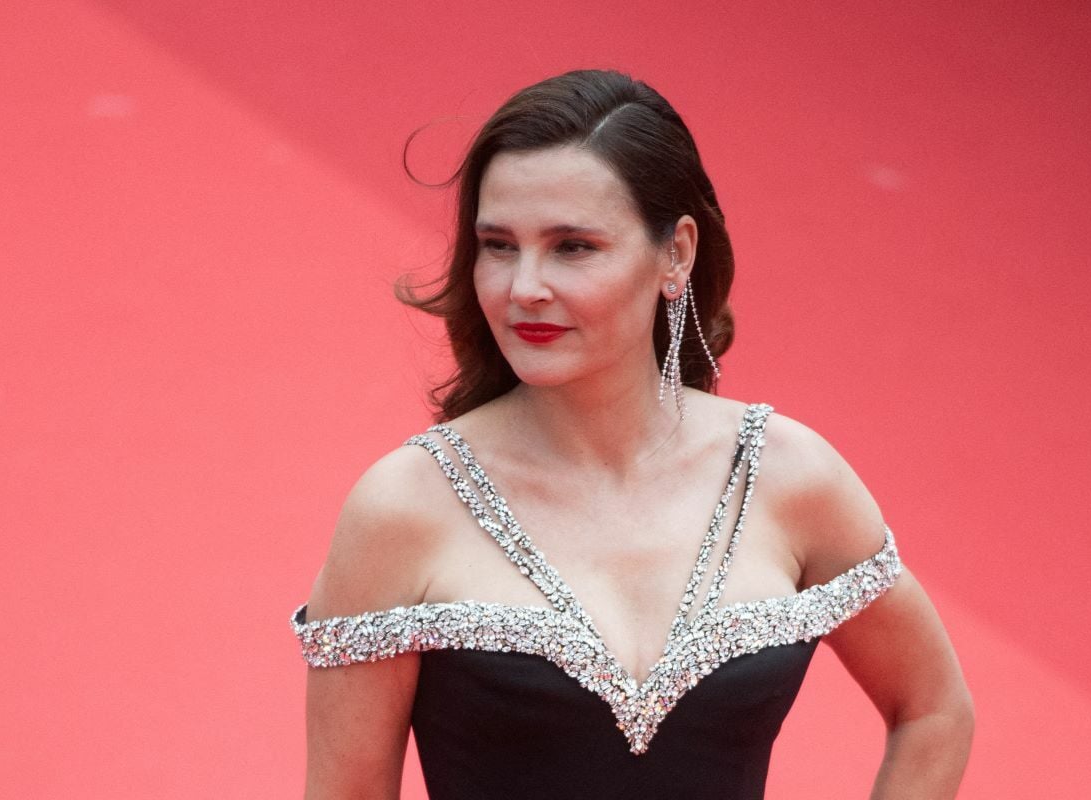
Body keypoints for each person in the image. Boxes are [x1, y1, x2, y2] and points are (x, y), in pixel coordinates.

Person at [290, 69, 974, 799]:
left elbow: (933, 710)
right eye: (498, 245)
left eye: (573, 246)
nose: (524, 288)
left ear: (676, 253)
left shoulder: (785, 475)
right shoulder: (403, 509)